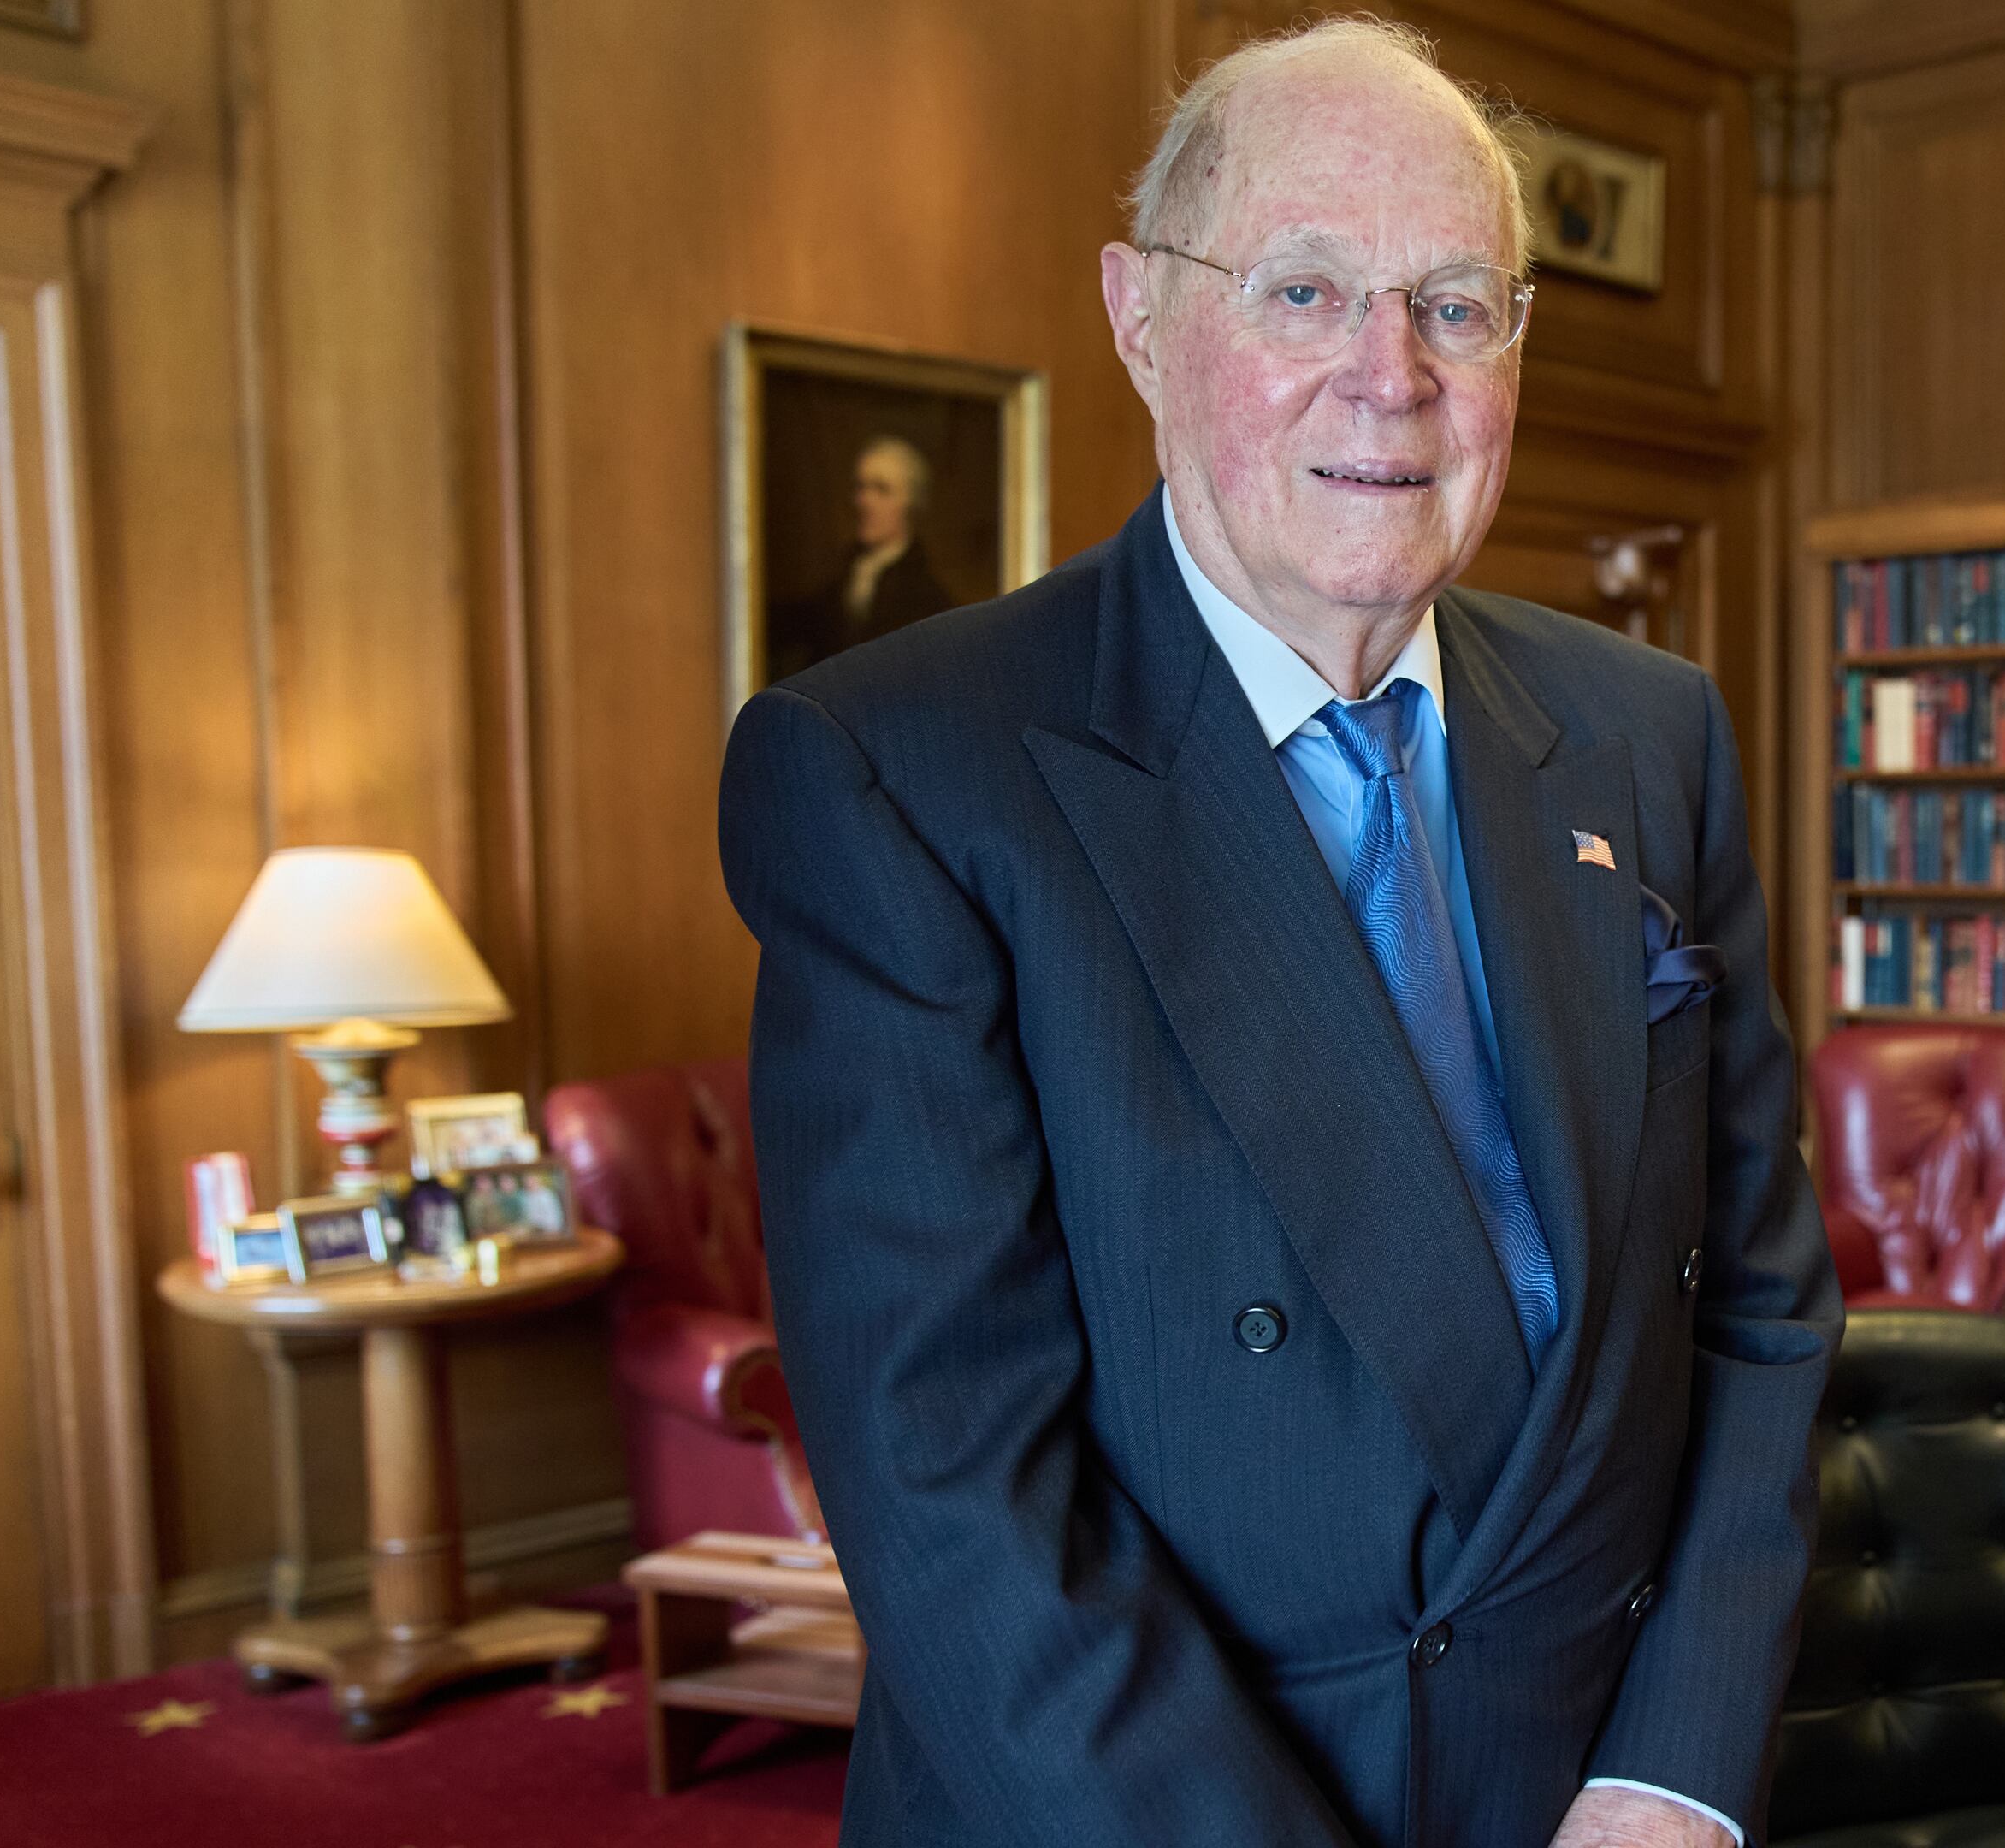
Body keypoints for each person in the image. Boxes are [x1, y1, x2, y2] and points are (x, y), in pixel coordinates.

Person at [717, 18, 1840, 1848]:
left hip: (1594, 1793)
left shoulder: (1650, 732)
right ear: (1142, 319)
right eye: (1305, 292)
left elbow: (1759, 1305)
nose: (1389, 378)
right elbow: (950, 1485)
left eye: (1455, 305)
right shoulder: (893, 773)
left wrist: (1676, 1774)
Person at [761, 433, 956, 684]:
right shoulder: (841, 579)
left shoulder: (929, 600)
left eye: (881, 489)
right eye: (861, 487)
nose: (864, 501)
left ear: (911, 503)